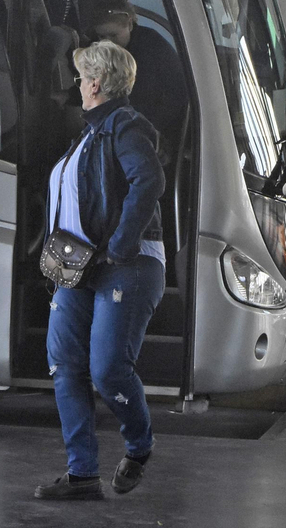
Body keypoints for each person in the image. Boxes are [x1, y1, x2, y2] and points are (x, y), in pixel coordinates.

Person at [34, 41, 166, 502]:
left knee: (107, 370)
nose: (78, 86)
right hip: (80, 266)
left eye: (80, 79)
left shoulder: (125, 127)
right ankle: (82, 475)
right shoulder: (90, 134)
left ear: (94, 83)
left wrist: (121, 245)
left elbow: (148, 180)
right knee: (64, 364)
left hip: (123, 264)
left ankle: (140, 446)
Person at [82, 0, 187, 146]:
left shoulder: (153, 46)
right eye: (102, 36)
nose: (108, 43)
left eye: (113, 35)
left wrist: (151, 128)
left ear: (130, 25)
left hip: (152, 127)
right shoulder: (93, 49)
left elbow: (178, 92)